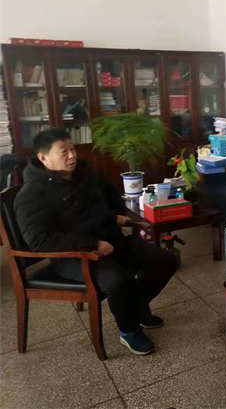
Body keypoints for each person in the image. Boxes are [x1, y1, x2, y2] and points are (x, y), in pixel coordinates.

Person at [15, 129, 178, 356]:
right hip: (74, 256)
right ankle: (129, 330)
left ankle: (136, 308)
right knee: (118, 279)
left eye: (72, 149)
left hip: (111, 239)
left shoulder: (83, 172)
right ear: (43, 158)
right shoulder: (32, 194)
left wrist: (115, 216)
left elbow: (110, 194)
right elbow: (39, 240)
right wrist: (92, 243)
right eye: (63, 152)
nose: (72, 156)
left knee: (166, 260)